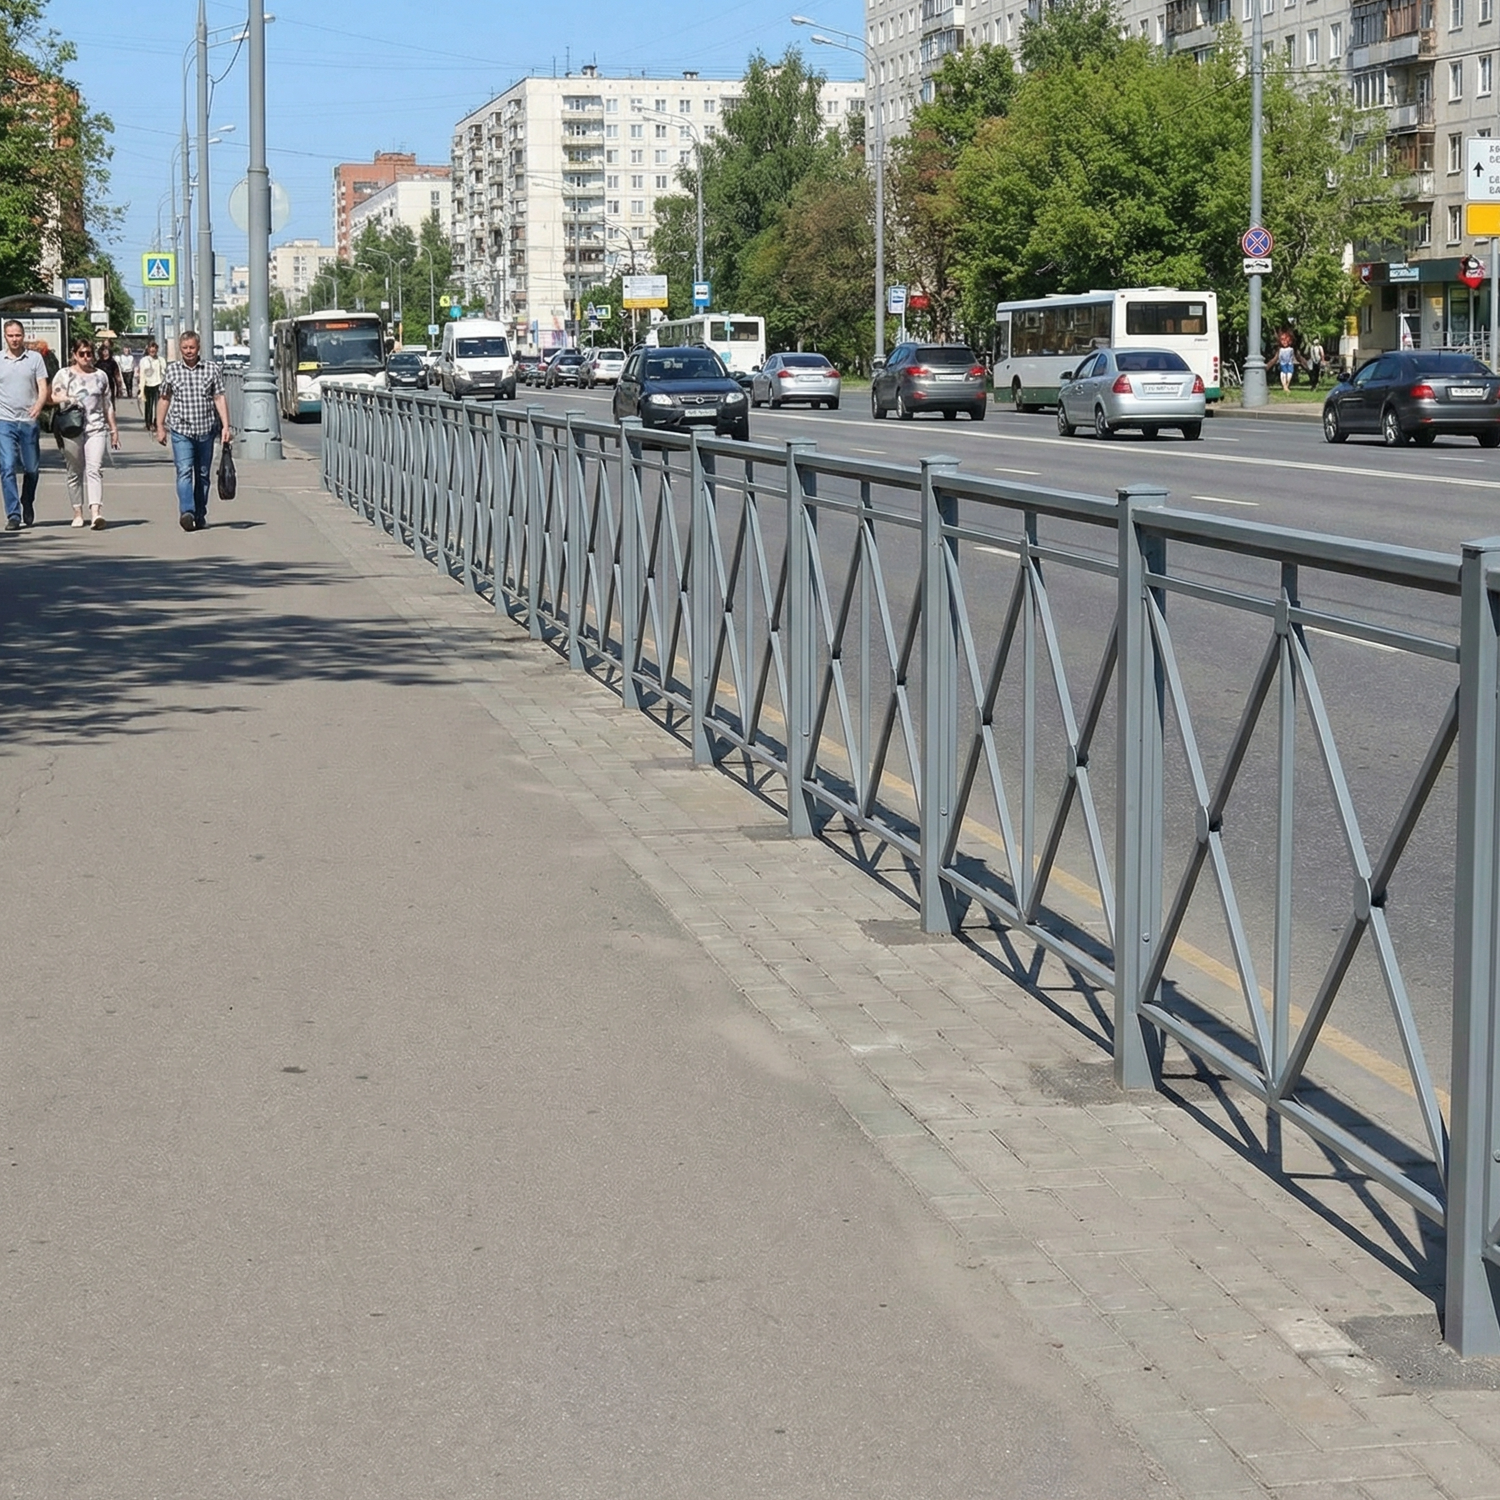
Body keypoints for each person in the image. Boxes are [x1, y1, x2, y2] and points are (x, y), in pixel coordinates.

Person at [154, 329, 231, 531]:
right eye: (185, 348)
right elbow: (164, 398)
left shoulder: (211, 369)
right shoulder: (172, 370)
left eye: (192, 348)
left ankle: (200, 513)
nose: (188, 351)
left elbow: (219, 397)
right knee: (184, 471)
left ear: (198, 348)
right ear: (180, 349)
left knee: (203, 474)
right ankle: (187, 512)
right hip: (181, 430)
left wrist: (226, 426)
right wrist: (159, 426)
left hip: (206, 430)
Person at [50, 338, 121, 530]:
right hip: (71, 428)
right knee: (74, 471)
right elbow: (54, 396)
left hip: (95, 428)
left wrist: (113, 429)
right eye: (81, 353)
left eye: (89, 353)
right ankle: (77, 513)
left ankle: (96, 513)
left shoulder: (100, 376)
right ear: (74, 355)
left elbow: (107, 405)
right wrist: (70, 398)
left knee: (94, 469)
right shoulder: (64, 374)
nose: (86, 357)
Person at [0, 317, 50, 530]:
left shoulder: (34, 359)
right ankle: (13, 514)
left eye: (18, 335)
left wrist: (38, 406)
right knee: (7, 466)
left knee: (32, 469)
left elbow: (43, 387)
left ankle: (27, 500)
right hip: (5, 421)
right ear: (5, 336)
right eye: (10, 335)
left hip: (28, 420)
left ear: (23, 336)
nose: (14, 339)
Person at [138, 340, 165, 431]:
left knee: (158, 406)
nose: (153, 352)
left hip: (158, 384)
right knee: (148, 405)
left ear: (157, 350)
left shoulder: (161, 360)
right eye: (151, 350)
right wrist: (141, 388)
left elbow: (164, 372)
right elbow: (142, 374)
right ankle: (148, 423)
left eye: (154, 350)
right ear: (148, 350)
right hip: (147, 385)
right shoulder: (144, 360)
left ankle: (157, 423)